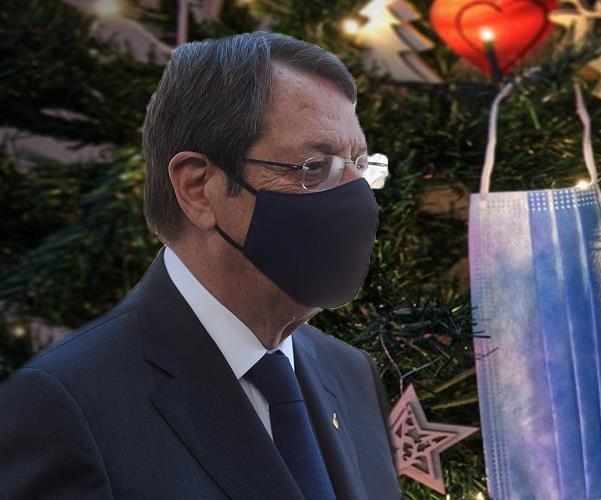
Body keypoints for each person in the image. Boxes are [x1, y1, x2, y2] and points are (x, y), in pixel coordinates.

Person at [0, 32, 402, 499]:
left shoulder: (352, 375)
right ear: (197, 189)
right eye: (315, 167)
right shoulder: (68, 403)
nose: (357, 200)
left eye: (361, 167)